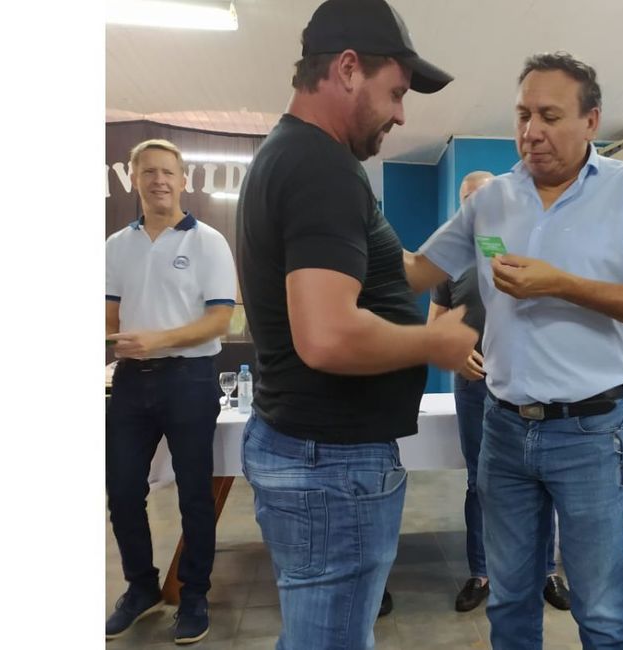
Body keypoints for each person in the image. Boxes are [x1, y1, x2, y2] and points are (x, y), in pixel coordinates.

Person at [404, 52, 623, 650]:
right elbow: (417, 270)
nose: (531, 131)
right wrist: (336, 232)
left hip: (589, 434)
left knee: (603, 611)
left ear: (591, 121)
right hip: (502, 430)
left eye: (549, 116)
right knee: (509, 604)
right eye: (523, 115)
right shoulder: (492, 200)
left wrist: (560, 283)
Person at [234, 1, 476, 647]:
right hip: (331, 464)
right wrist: (437, 342)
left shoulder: (294, 157)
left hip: (312, 453)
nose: (401, 113)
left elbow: (392, 272)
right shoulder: (322, 169)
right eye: (395, 93)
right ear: (346, 69)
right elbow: (329, 336)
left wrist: (472, 226)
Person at [105, 138, 237, 644]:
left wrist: (158, 338)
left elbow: (219, 320)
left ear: (184, 181)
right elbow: (111, 317)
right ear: (134, 180)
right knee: (121, 491)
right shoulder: (117, 245)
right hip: (132, 380)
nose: (159, 180)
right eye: (149, 172)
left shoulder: (208, 241)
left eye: (168, 172)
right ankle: (141, 588)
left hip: (190, 378)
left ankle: (194, 592)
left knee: (194, 493)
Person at [429, 170, 571, 613]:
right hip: (473, 385)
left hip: (529, 381)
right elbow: (433, 327)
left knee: (541, 478)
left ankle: (547, 569)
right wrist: (454, 353)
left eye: (485, 196)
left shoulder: (525, 247)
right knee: (480, 481)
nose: (478, 205)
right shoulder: (448, 262)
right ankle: (481, 571)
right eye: (469, 199)